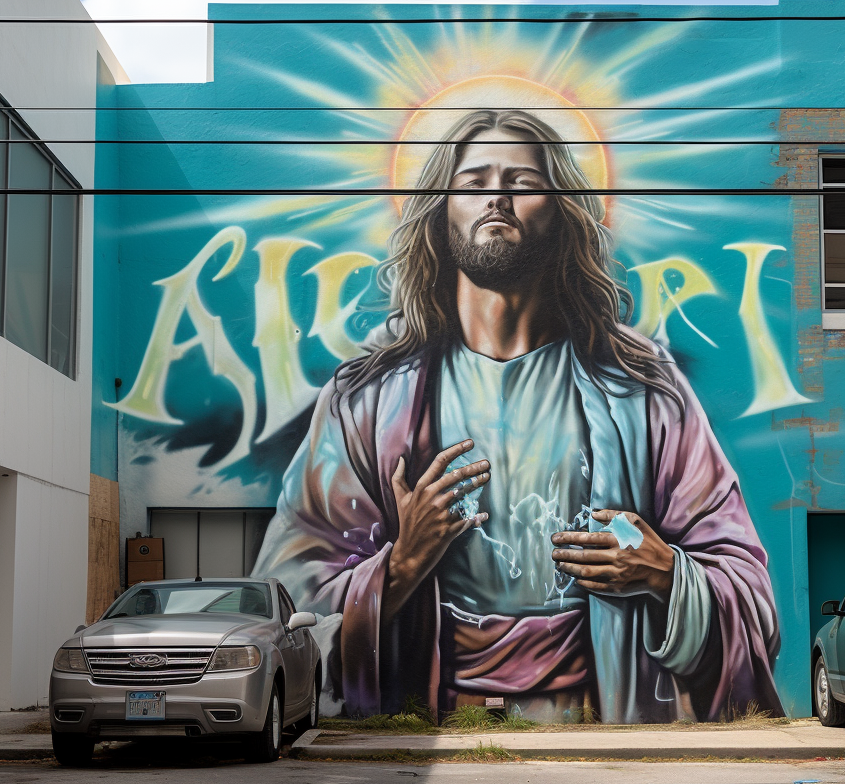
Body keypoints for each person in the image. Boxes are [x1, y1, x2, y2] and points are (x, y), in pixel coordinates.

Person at [253, 108, 782, 723]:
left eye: (523, 184)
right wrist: (402, 563)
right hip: (430, 719)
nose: (497, 199)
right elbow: (289, 595)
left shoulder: (638, 385)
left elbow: (748, 586)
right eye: (473, 183)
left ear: (560, 212)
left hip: (600, 720)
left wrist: (667, 573)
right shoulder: (369, 396)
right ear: (438, 210)